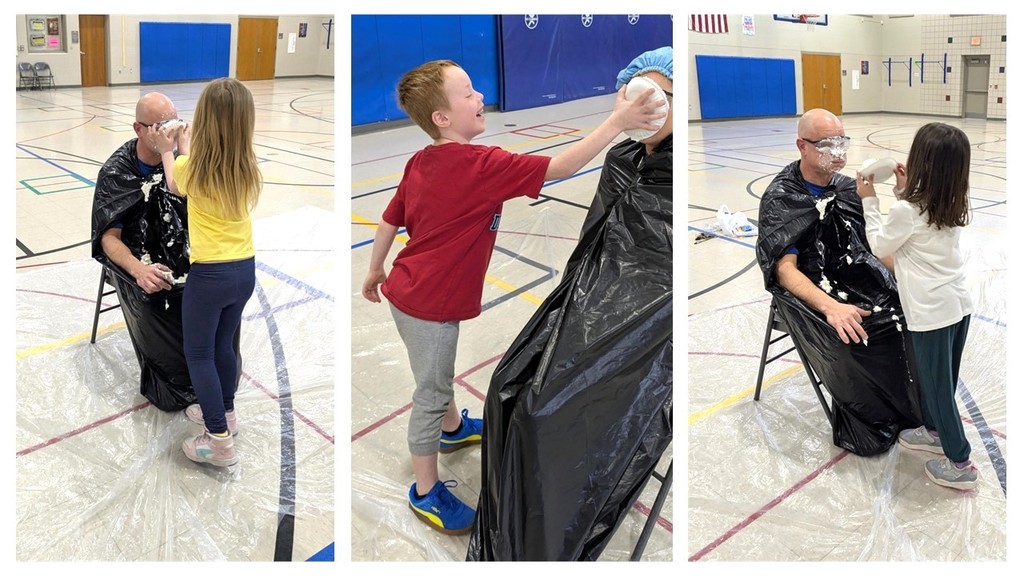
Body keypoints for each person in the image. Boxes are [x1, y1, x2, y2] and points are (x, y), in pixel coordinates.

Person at [360, 59, 665, 535]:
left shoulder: (421, 160)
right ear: (442, 117)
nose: (480, 97)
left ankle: (453, 429)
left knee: (434, 370)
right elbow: (562, 165)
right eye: (467, 93)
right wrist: (617, 122)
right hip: (428, 307)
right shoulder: (481, 165)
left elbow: (388, 217)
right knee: (431, 388)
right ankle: (424, 492)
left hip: (406, 291)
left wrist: (376, 268)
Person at [469, 47, 673, 561]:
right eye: (638, 96)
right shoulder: (622, 157)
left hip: (647, 321)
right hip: (590, 294)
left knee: (543, 413)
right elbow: (594, 242)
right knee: (505, 388)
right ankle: (506, 535)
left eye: (662, 99)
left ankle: (545, 544)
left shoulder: (676, 173)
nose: (649, 108)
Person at [755, 109, 922, 456]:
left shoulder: (847, 189)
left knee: (907, 314)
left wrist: (911, 279)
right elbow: (785, 270)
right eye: (827, 144)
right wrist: (832, 307)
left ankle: (912, 411)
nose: (838, 152)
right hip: (810, 289)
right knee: (852, 337)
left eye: (842, 141)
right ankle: (872, 422)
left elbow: (874, 247)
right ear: (802, 146)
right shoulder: (783, 196)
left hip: (852, 274)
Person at [856, 122, 978, 490]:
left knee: (938, 388)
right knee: (943, 379)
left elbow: (880, 245)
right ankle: (935, 429)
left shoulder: (907, 211)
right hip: (957, 306)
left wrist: (869, 199)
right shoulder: (951, 200)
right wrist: (901, 191)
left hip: (930, 313)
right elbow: (917, 224)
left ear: (922, 161)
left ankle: (961, 464)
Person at [91, 92, 210, 412]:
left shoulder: (183, 162)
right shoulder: (118, 172)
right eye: (159, 125)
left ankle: (215, 378)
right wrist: (138, 269)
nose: (168, 132)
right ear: (139, 129)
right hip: (136, 257)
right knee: (160, 300)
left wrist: (183, 153)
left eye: (172, 122)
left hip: (181, 246)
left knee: (215, 291)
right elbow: (108, 239)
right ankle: (175, 386)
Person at [166, 78, 262, 467]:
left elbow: (175, 182)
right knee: (224, 343)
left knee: (199, 354)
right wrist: (182, 149)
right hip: (245, 270)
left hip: (210, 278)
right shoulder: (246, 166)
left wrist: (165, 149)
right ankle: (227, 413)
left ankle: (218, 441)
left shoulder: (192, 168)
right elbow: (196, 171)